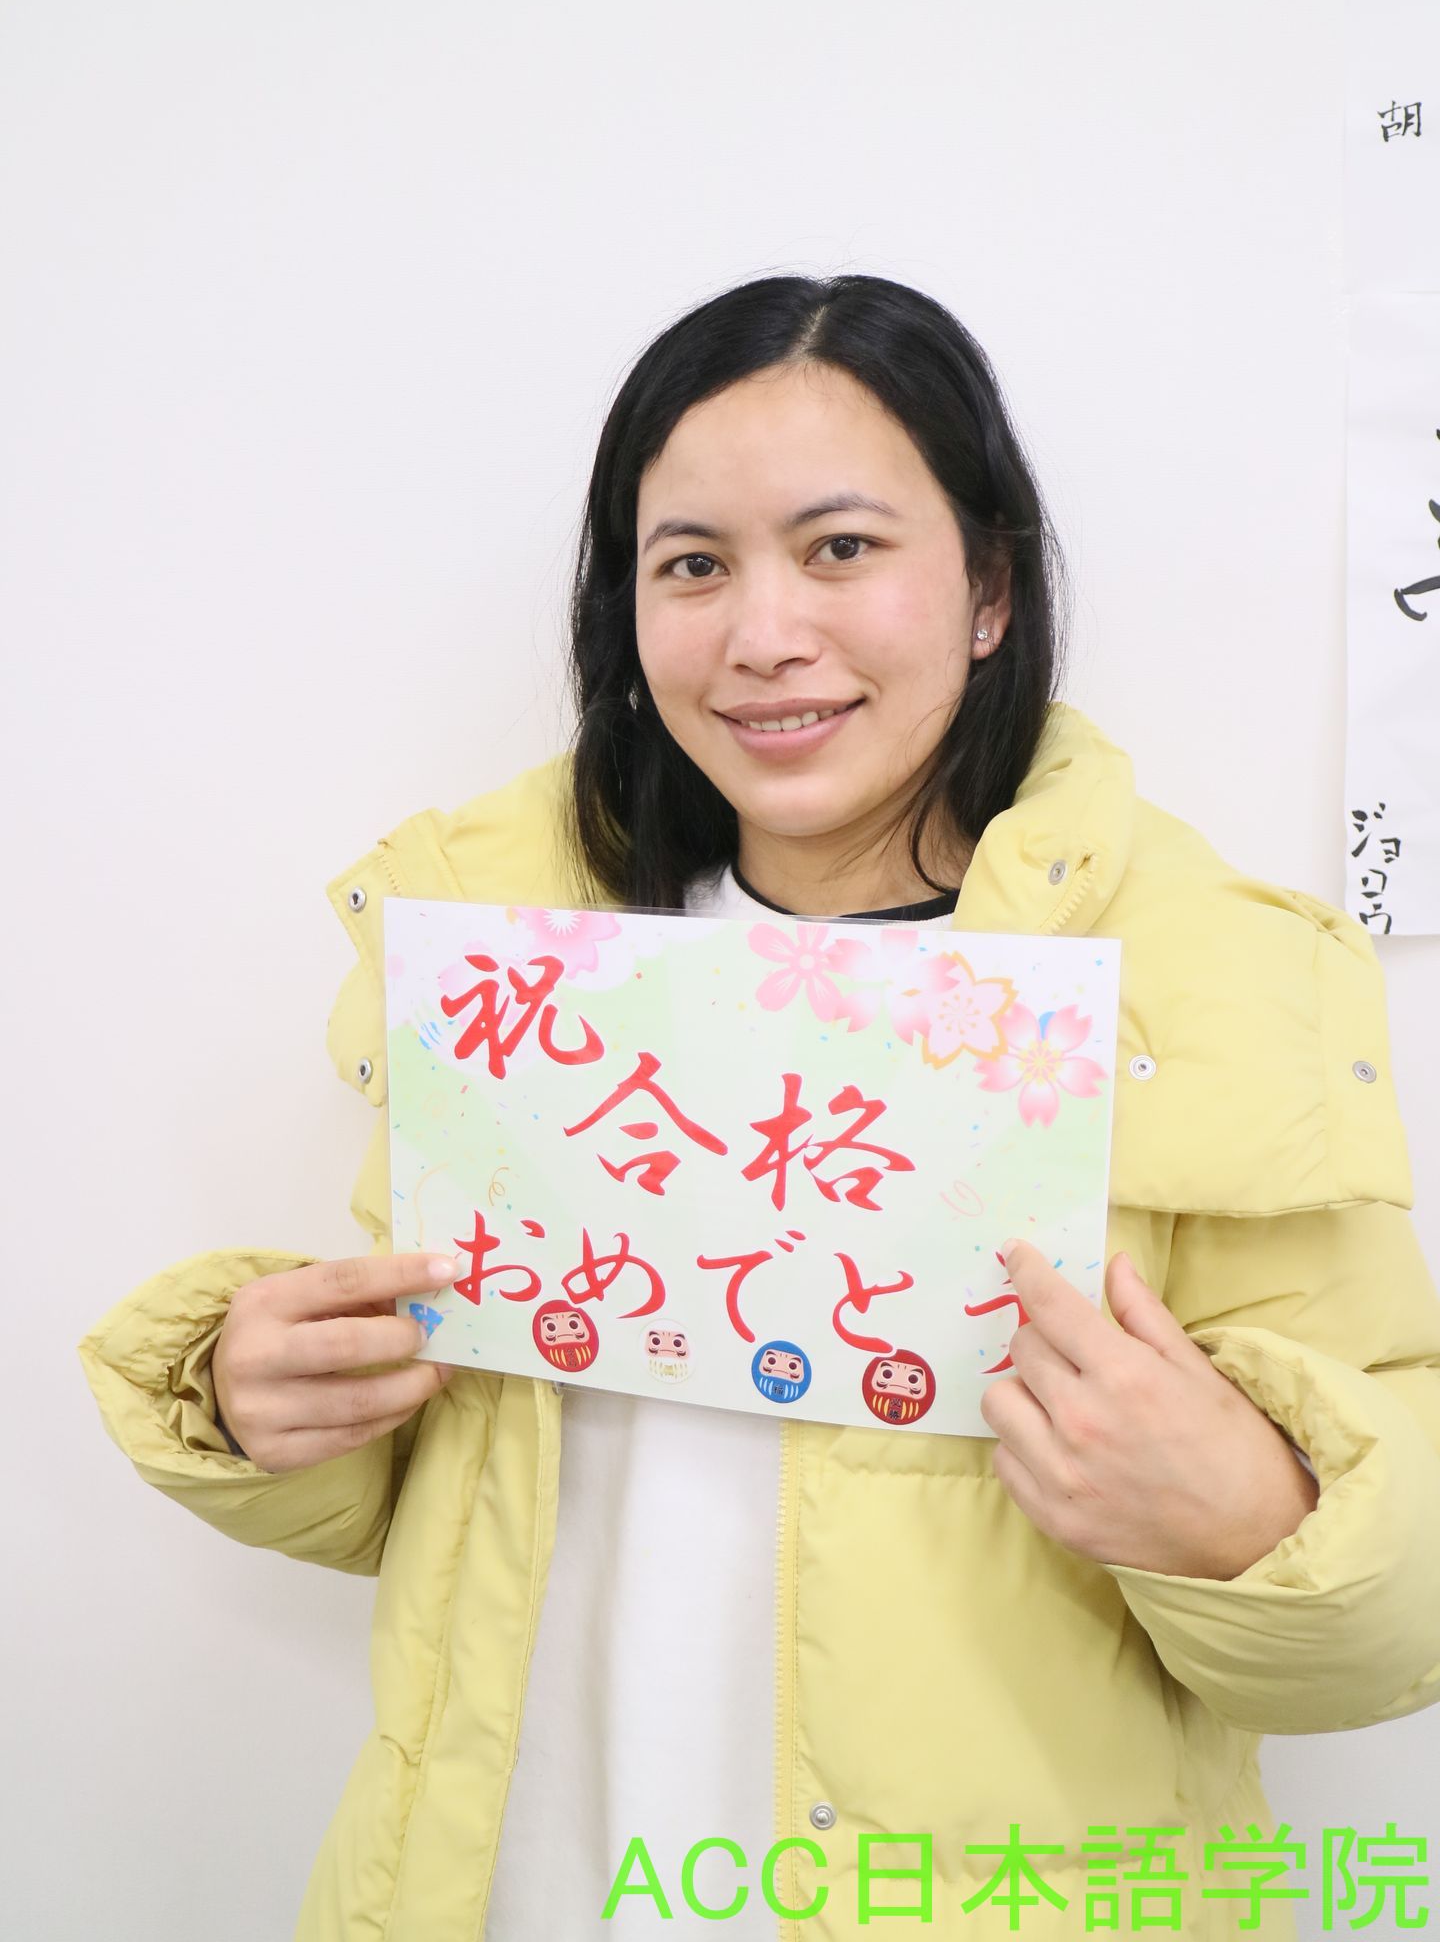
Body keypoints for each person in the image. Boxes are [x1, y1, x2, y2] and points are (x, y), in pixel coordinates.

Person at [77, 274, 1440, 1941]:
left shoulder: (1211, 987)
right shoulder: (516, 964)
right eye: (693, 565)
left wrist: (1256, 1520)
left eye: (841, 547)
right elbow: (454, 1483)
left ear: (990, 588)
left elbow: (1398, 1613)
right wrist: (267, 1401)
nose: (763, 634)